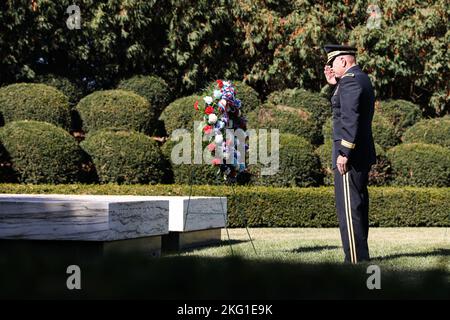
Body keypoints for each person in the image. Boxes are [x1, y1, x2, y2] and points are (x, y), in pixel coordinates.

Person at [323, 44, 376, 263]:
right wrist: (335, 85)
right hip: (361, 152)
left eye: (332, 64)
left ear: (344, 61)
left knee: (349, 207)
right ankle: (359, 255)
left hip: (350, 155)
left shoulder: (350, 81)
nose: (330, 68)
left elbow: (349, 118)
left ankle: (356, 259)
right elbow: (347, 108)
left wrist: (344, 151)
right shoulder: (360, 77)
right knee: (358, 204)